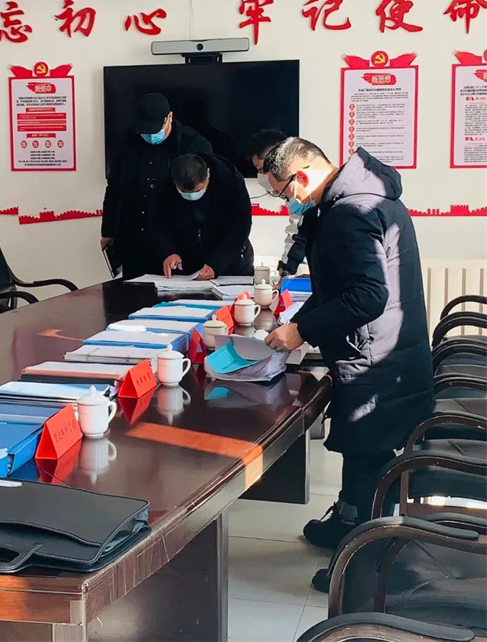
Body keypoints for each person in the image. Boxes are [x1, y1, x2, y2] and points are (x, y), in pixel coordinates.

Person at [261, 138, 434, 561]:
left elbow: (367, 296)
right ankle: (346, 523)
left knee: (369, 454)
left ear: (302, 176)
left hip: (376, 357)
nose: (287, 203)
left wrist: (303, 329)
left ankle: (363, 563)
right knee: (362, 452)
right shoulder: (358, 196)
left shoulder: (350, 213)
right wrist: (298, 324)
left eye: (284, 193)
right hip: (388, 347)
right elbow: (336, 287)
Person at [101, 93, 212, 280]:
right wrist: (108, 231)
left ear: (169, 118)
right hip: (135, 238)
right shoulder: (127, 143)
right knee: (132, 292)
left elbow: (206, 194)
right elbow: (114, 188)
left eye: (154, 129)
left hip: (177, 242)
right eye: (145, 130)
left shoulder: (193, 145)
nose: (150, 135)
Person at [151, 153, 253, 280]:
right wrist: (169, 252)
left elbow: (240, 226)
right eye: (184, 192)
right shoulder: (164, 183)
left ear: (208, 174)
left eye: (198, 190)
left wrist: (217, 264)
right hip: (185, 262)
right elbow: (157, 224)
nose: (192, 196)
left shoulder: (229, 179)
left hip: (229, 259)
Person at [250, 129, 307, 281]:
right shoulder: (292, 192)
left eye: (261, 170)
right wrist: (285, 269)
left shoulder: (304, 193)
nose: (261, 177)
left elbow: (298, 234)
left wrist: (287, 271)